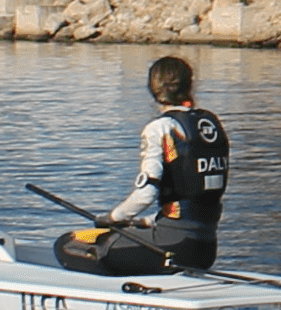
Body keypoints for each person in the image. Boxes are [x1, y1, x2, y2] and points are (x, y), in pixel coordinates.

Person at [59, 55, 227, 274]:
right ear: (190, 84)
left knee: (70, 244)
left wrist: (113, 218)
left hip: (173, 246)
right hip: (206, 249)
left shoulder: (159, 128)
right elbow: (196, 200)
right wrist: (144, 222)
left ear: (153, 89)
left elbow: (145, 194)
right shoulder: (212, 124)